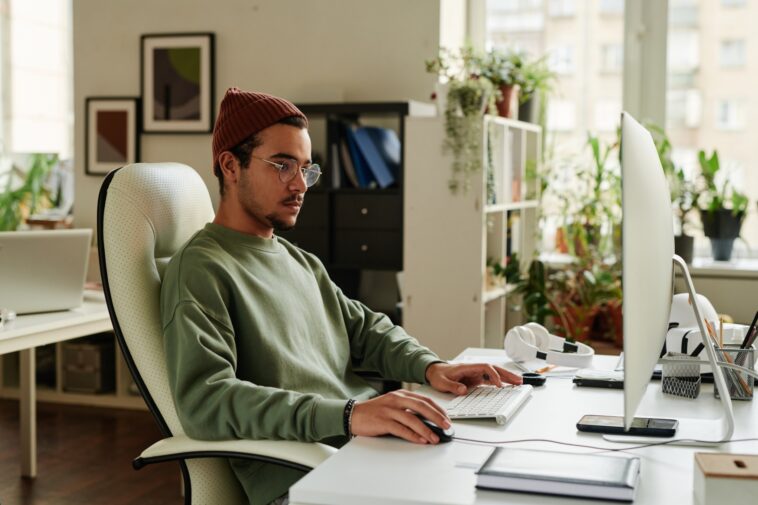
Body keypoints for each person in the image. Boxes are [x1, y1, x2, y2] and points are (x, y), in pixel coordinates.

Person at [160, 88, 522, 505]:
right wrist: (348, 414)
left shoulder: (299, 262)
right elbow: (205, 401)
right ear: (230, 165)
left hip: (366, 449)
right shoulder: (202, 269)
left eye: (306, 170)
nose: (300, 185)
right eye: (282, 166)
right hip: (309, 476)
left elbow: (366, 330)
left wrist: (431, 367)